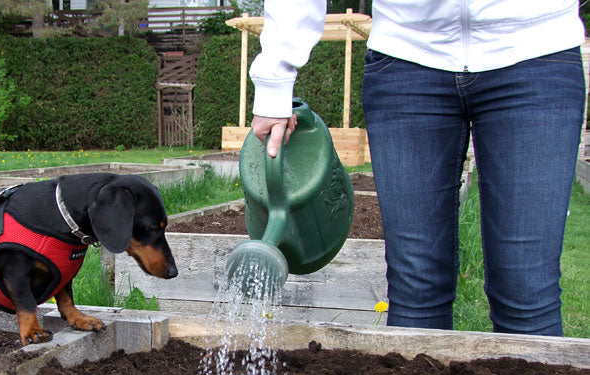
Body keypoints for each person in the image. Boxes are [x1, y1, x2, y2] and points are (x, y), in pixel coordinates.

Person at [249, 0, 586, 336]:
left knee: (526, 289)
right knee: (416, 289)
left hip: (535, 51)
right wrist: (275, 76)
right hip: (407, 57)